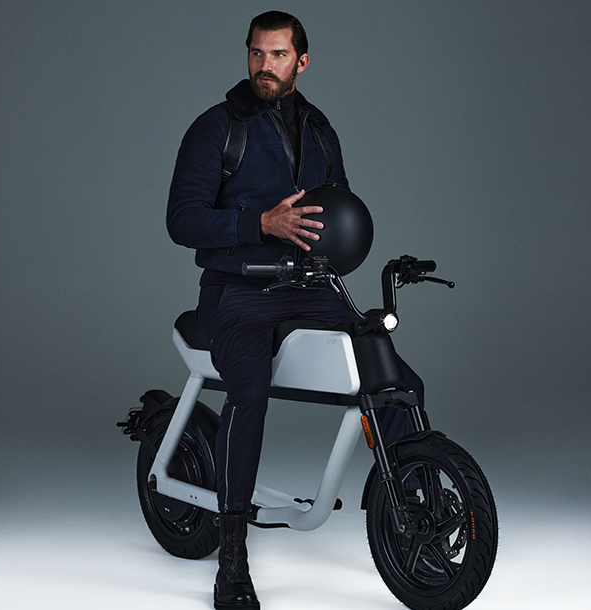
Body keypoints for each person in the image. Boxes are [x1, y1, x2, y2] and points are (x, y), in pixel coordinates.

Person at [166, 11, 421, 610]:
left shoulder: (320, 128)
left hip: (309, 288)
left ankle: (412, 511)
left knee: (396, 382)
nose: (264, 67)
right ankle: (231, 558)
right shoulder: (215, 128)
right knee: (249, 389)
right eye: (256, 54)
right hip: (237, 288)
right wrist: (260, 222)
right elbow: (181, 220)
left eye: (278, 56)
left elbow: (337, 204)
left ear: (301, 62)